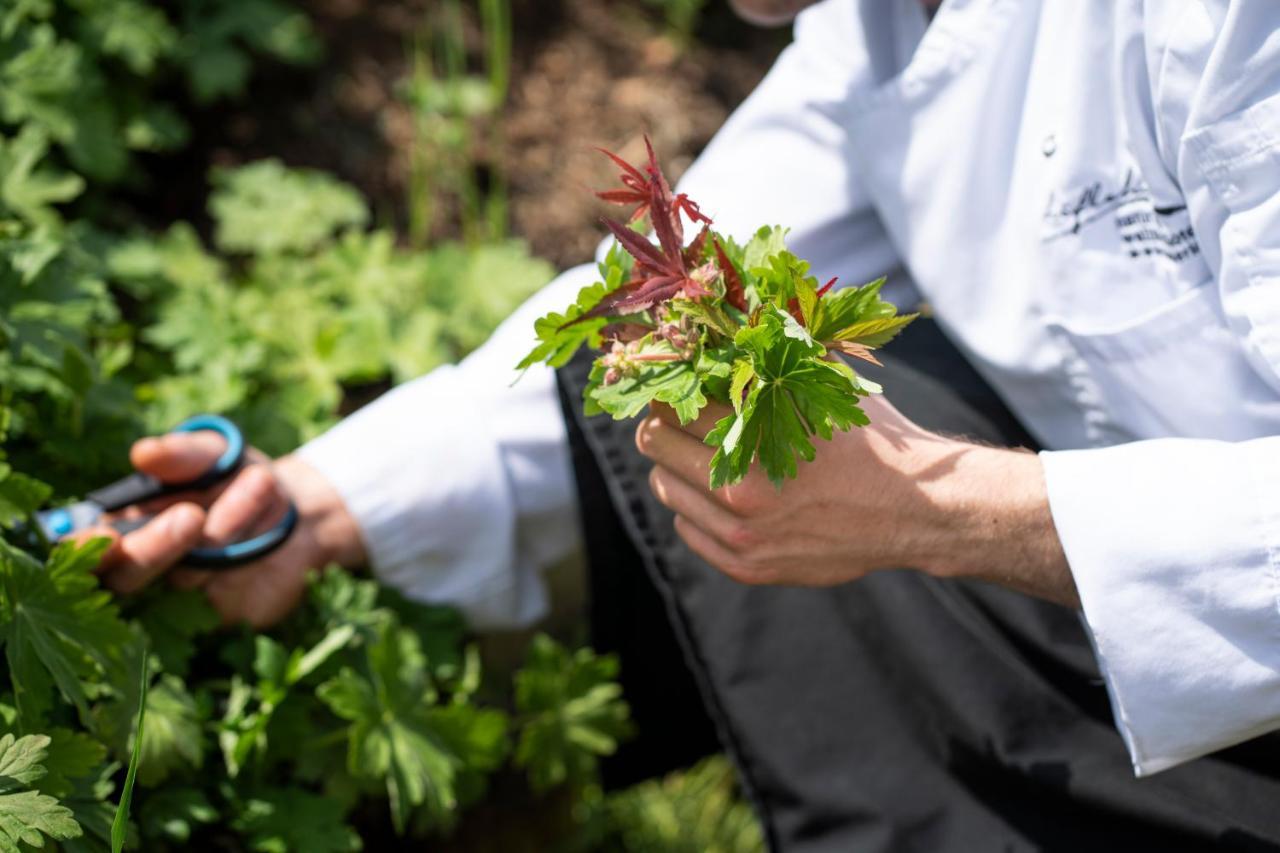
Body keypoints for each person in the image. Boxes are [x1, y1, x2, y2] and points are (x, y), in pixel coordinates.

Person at [86, 0, 1280, 848]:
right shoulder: (871, 38)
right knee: (673, 393)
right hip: (1151, 661)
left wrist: (944, 509)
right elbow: (619, 318)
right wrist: (317, 506)